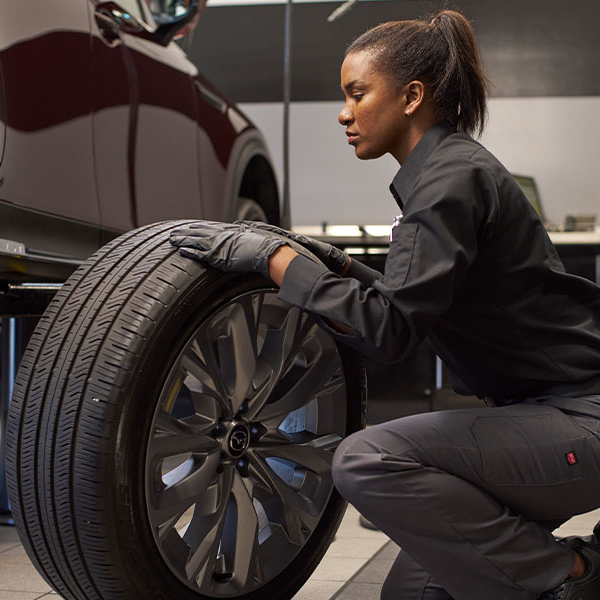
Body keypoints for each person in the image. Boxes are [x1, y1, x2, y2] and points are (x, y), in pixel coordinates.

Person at [169, 9, 600, 599]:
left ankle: (575, 576)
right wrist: (335, 263)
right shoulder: (449, 172)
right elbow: (418, 300)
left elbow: (389, 331)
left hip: (582, 422)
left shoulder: (448, 181)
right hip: (539, 418)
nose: (344, 113)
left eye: (356, 93)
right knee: (414, 593)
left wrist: (274, 261)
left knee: (366, 459)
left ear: (411, 96)